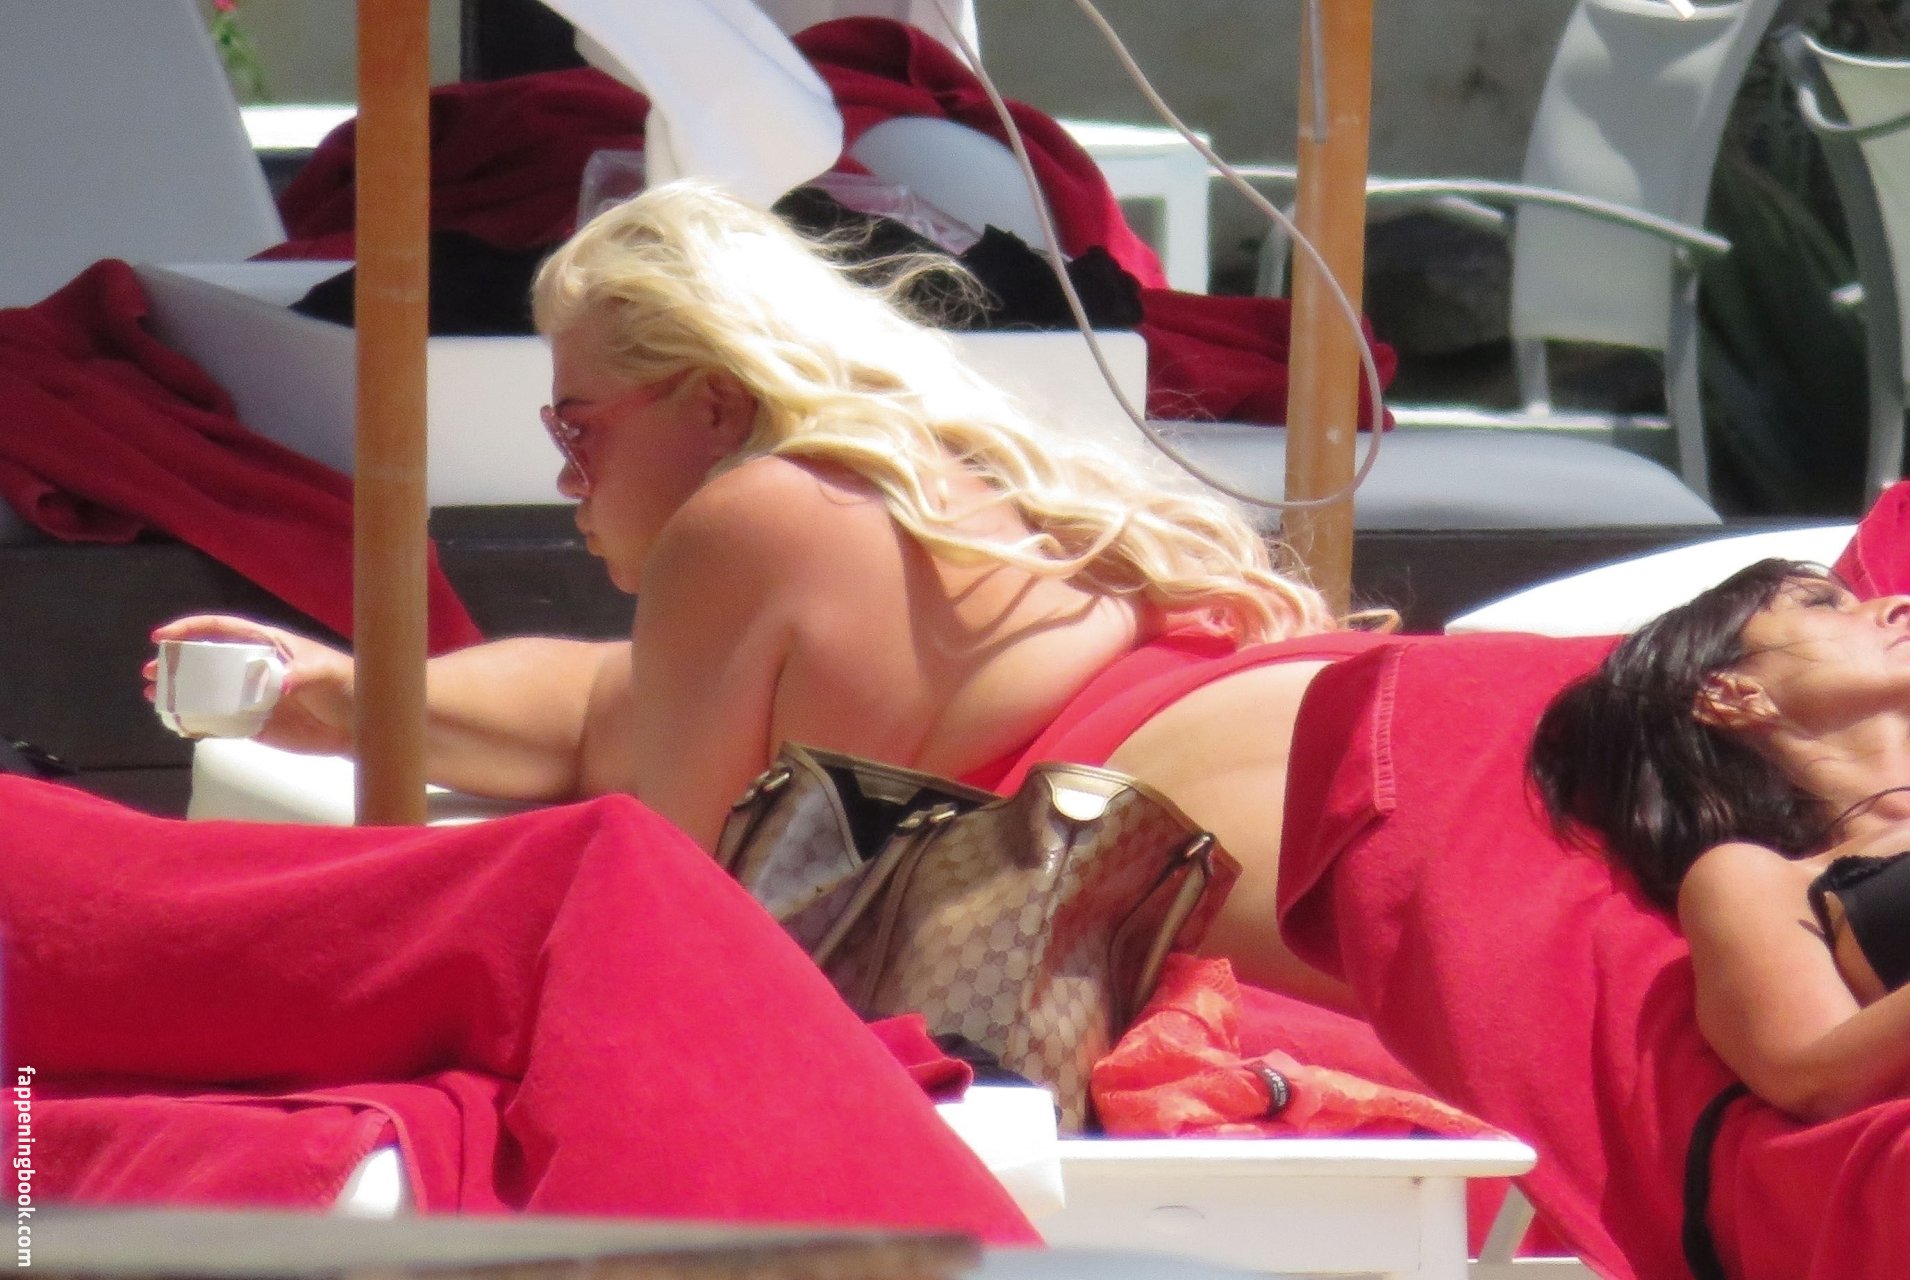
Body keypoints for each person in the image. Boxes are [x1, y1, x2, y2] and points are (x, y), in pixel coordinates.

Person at [155, 178, 1386, 1014]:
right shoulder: (949, 501)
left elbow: (664, 930)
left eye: (578, 427)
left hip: (1333, 924)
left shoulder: (759, 517)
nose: (565, 476)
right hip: (1365, 796)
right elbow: (592, 706)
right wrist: (350, 696)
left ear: (713, 402)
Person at [1529, 557, 1910, 1123]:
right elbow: (1809, 1076)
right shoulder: (1757, 879)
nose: (1899, 604)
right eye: (1822, 604)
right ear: (1729, 694)